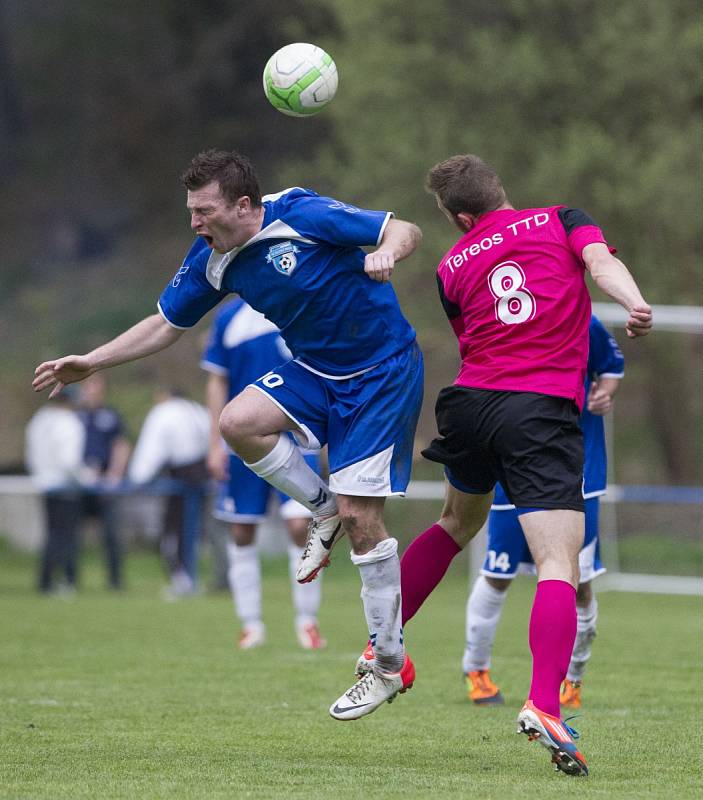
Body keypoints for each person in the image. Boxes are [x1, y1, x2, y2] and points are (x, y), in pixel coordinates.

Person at [32, 149, 424, 719]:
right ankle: (322, 508)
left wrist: (387, 251)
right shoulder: (213, 258)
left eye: (203, 211)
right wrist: (92, 361)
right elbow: (165, 324)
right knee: (237, 423)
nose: (194, 223)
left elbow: (403, 228)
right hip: (316, 369)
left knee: (365, 518)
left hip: (382, 371)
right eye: (190, 211)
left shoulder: (303, 214)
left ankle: (387, 665)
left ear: (244, 205)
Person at [356, 155, 651, 776]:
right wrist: (635, 301)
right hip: (537, 408)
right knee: (556, 561)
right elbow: (600, 263)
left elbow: (472, 338)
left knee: (455, 525)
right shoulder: (561, 219)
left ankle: (383, 643)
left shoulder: (450, 265)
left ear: (462, 217)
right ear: (499, 192)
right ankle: (544, 704)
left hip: (467, 404)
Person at [463, 315, 624, 709]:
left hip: (579, 469)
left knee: (578, 582)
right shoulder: (502, 314)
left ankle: (572, 679)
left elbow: (612, 367)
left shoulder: (584, 321)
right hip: (515, 464)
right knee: (497, 573)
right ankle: (477, 671)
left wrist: (604, 391)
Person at [201, 297, 326, 650]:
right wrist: (215, 444)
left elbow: (321, 369)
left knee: (301, 524)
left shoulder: (293, 302)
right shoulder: (228, 318)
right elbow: (216, 382)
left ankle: (308, 620)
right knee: (242, 528)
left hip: (297, 433)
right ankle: (250, 624)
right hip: (241, 439)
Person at [128, 388, 210, 596]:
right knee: (192, 531)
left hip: (182, 474)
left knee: (172, 533)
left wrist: (137, 479)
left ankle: (182, 580)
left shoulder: (164, 412)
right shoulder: (197, 409)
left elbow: (151, 447)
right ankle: (190, 578)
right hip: (205, 472)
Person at [25, 386, 87, 594]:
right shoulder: (69, 423)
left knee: (52, 533)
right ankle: (64, 581)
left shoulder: (39, 419)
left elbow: (31, 453)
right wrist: (85, 479)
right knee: (64, 535)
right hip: (64, 486)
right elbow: (70, 462)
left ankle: (46, 580)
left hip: (43, 483)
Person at [77, 373, 131, 590]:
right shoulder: (74, 416)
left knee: (111, 534)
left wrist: (115, 474)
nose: (93, 391)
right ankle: (70, 580)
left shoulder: (111, 415)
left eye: (97, 386)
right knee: (72, 534)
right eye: (89, 386)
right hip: (78, 483)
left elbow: (121, 444)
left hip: (104, 485)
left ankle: (115, 581)